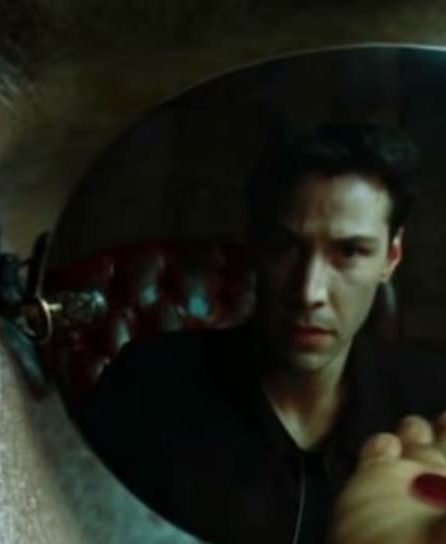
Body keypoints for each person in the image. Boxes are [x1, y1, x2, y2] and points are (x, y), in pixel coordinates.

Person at [72, 123, 446, 543]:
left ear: (391, 257)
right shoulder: (147, 388)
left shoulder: (434, 402)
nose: (309, 293)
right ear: (255, 244)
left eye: (349, 252)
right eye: (285, 246)